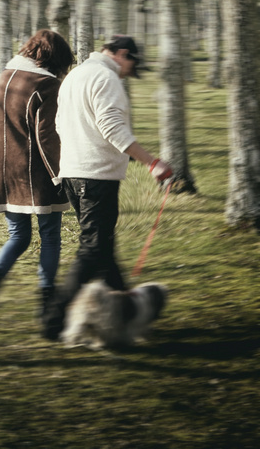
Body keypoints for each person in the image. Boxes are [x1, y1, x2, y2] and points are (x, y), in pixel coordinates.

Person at [42, 34, 173, 341]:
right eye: (131, 65)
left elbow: (59, 125)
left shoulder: (75, 76)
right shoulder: (106, 77)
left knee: (103, 248)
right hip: (95, 177)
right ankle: (53, 321)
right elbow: (112, 127)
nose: (129, 72)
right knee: (92, 250)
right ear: (122, 54)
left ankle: (125, 312)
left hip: (74, 175)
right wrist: (152, 163)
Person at [0, 28, 75, 326]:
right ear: (57, 59)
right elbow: (47, 138)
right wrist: (61, 176)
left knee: (18, 236)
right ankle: (46, 305)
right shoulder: (46, 84)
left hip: (5, 173)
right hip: (37, 176)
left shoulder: (6, 76)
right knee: (50, 237)